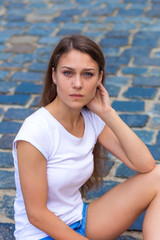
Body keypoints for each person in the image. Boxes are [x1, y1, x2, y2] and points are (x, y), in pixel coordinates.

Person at [12, 34, 160, 240]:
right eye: (68, 73)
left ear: (99, 78)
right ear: (54, 76)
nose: (77, 84)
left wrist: (108, 113)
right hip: (42, 234)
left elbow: (145, 165)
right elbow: (37, 215)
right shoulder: (36, 132)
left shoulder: (91, 118)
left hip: (81, 220)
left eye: (88, 74)